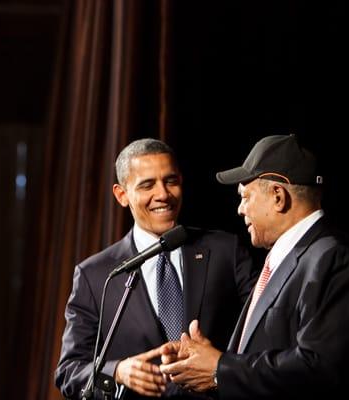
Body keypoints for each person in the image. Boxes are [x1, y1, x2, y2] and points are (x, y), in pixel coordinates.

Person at [159, 134, 349, 400]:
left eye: (245, 197)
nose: (240, 209)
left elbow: (319, 367)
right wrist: (207, 364)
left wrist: (220, 369)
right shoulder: (282, 257)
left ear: (278, 197)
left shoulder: (332, 257)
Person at [55, 138, 257, 399]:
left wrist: (221, 365)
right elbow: (69, 372)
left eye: (170, 181)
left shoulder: (225, 250)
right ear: (122, 195)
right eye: (147, 185)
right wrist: (117, 371)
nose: (163, 194)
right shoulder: (96, 275)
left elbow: (266, 334)